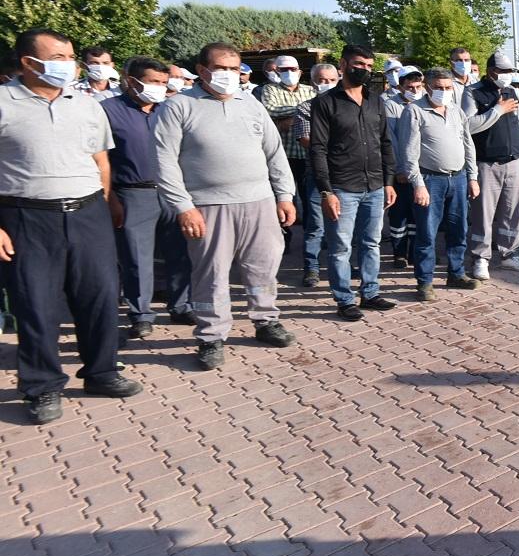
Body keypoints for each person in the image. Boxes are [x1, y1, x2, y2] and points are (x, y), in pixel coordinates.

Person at [0, 29, 142, 424]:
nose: (69, 64)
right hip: (26, 217)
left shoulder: (85, 104)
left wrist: (109, 202)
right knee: (36, 304)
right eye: (58, 57)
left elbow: (100, 160)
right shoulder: (4, 102)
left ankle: (102, 371)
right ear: (28, 62)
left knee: (100, 296)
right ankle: (42, 387)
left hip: (88, 213)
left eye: (70, 56)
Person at [154, 42, 298, 371]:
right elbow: (164, 162)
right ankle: (211, 336)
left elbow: (274, 152)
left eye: (234, 69)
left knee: (263, 267)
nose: (229, 75)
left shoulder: (251, 104)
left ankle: (265, 320)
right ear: (202, 70)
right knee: (212, 275)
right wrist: (183, 207)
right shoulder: (178, 107)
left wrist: (285, 195)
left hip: (259, 202)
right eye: (221, 68)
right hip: (208, 206)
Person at [102, 56, 193, 338]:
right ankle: (141, 314)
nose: (160, 88)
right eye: (154, 82)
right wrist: (110, 199)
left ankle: (181, 306)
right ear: (131, 81)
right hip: (132, 194)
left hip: (173, 192)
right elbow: (99, 159)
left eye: (164, 83)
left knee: (180, 253)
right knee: (136, 258)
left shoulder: (170, 109)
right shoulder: (107, 111)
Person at [308, 45, 397, 322]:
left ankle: (370, 293)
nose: (365, 70)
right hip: (342, 187)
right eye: (359, 64)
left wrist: (389, 181)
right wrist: (326, 191)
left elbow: (385, 142)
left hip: (375, 185)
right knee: (340, 248)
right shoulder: (325, 103)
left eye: (369, 66)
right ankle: (344, 299)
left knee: (371, 243)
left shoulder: (375, 101)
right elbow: (318, 150)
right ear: (344, 65)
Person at [398, 69, 480, 299]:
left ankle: (456, 273)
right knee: (426, 233)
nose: (443, 92)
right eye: (438, 87)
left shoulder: (455, 110)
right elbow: (408, 153)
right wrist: (418, 184)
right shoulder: (414, 111)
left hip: (458, 179)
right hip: (430, 180)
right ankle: (425, 282)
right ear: (427, 87)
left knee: (459, 229)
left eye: (447, 88)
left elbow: (468, 145)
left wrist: (472, 177)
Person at [465, 52, 519, 277]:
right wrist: (497, 110)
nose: (507, 75)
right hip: (486, 163)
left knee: (512, 212)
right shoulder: (473, 92)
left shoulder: (511, 91)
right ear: (491, 71)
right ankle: (480, 258)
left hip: (513, 161)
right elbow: (468, 126)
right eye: (503, 71)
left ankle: (509, 254)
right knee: (483, 213)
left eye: (510, 71)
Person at [291, 63, 341, 285]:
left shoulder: (347, 107)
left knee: (343, 226)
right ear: (312, 83)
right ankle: (311, 268)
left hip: (345, 175)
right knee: (316, 225)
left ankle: (343, 266)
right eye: (321, 80)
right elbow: (306, 140)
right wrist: (341, 146)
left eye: (331, 80)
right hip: (318, 175)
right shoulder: (305, 108)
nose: (326, 84)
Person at [258, 54, 317, 226]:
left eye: (292, 69)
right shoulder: (270, 89)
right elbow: (270, 110)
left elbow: (318, 110)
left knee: (309, 197)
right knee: (285, 196)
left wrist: (289, 118)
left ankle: (310, 232)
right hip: (285, 152)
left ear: (299, 72)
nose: (289, 72)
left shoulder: (310, 90)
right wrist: (303, 111)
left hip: (307, 152)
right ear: (277, 71)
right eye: (284, 69)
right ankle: (287, 232)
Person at [383, 66, 424, 267]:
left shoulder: (426, 104)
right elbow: (392, 140)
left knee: (418, 213)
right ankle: (399, 252)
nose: (414, 91)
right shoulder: (391, 106)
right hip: (401, 170)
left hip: (422, 171)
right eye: (410, 87)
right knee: (399, 213)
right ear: (400, 87)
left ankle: (415, 251)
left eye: (418, 86)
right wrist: (400, 169)